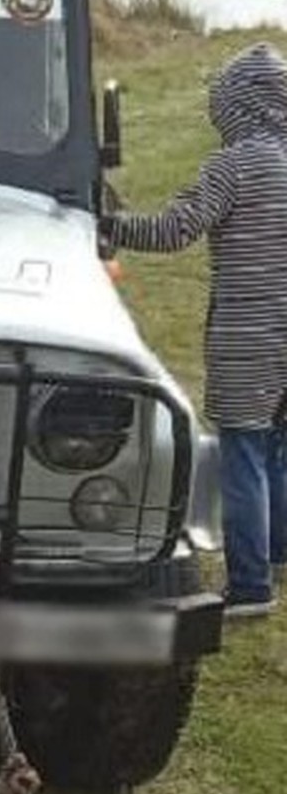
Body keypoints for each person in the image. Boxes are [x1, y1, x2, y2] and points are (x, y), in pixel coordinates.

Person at [101, 41, 287, 619]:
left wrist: (109, 224)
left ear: (234, 106)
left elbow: (175, 229)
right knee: (278, 446)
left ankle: (252, 586)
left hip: (248, 332)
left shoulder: (233, 166)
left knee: (242, 450)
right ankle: (278, 549)